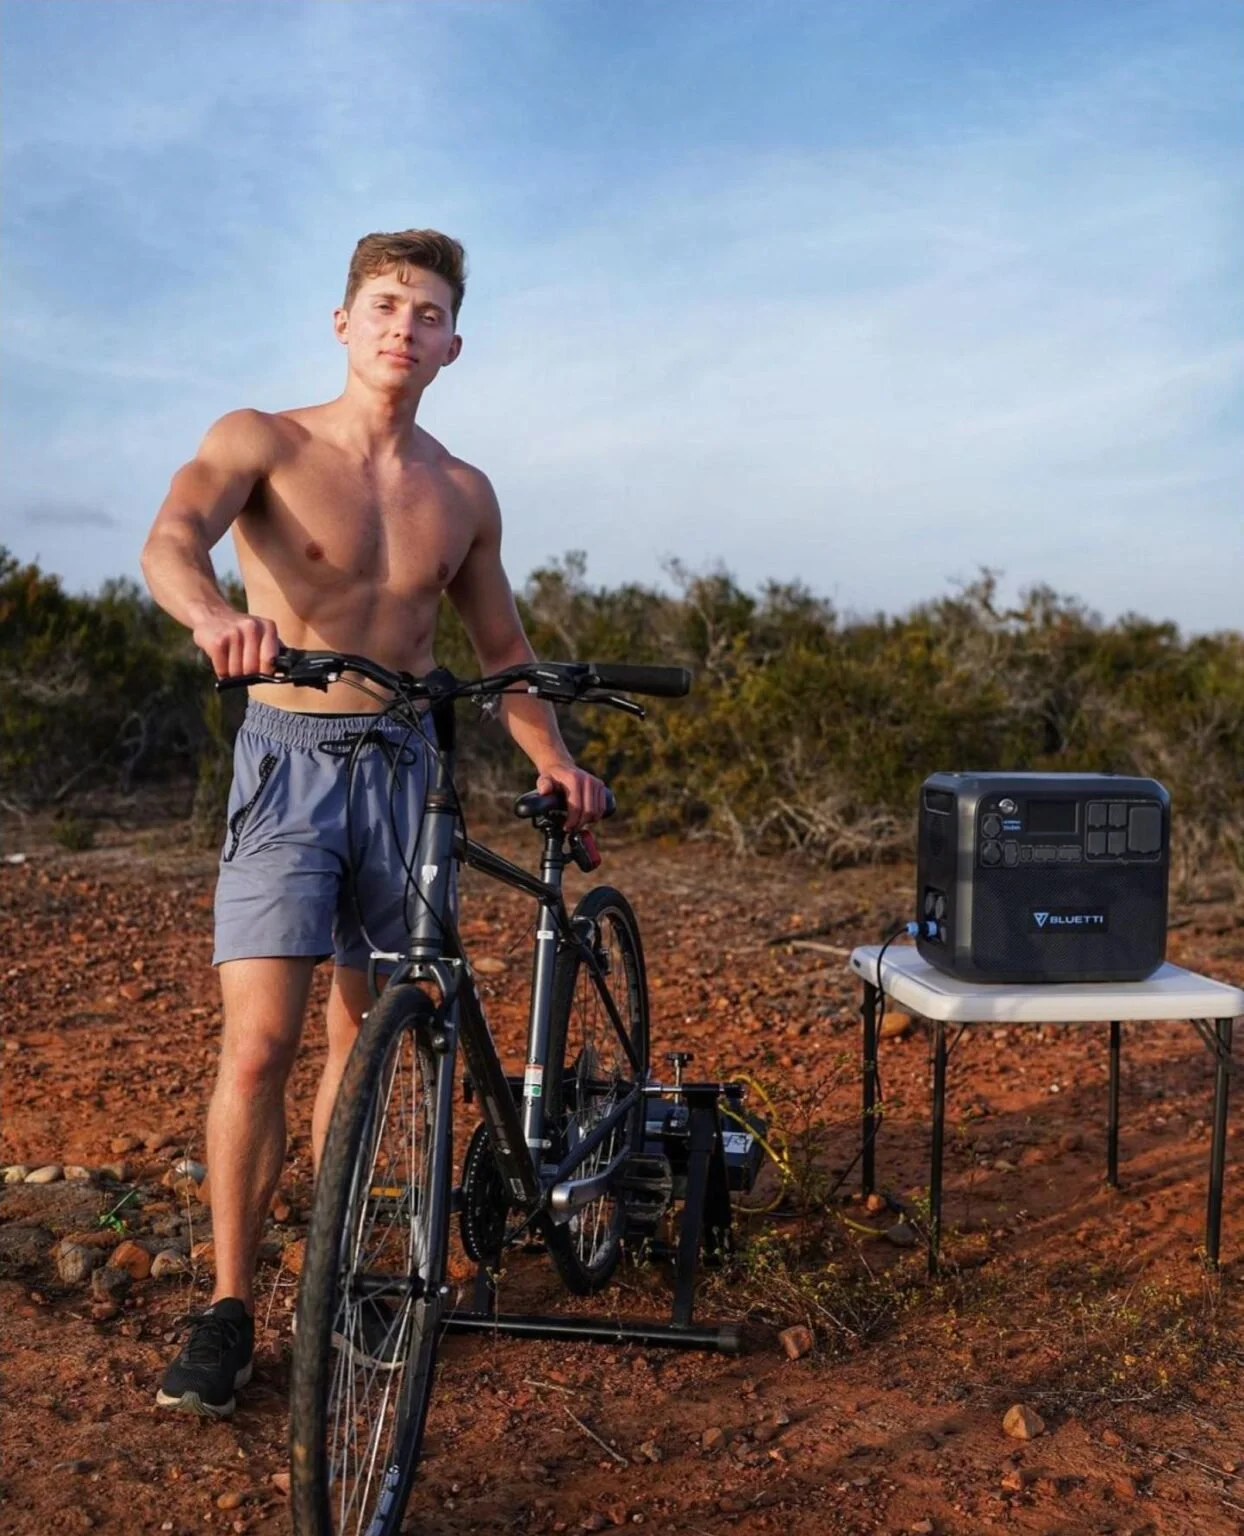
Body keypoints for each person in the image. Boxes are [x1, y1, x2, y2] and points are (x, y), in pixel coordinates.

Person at [140, 229, 608, 1416]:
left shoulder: (461, 494)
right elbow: (173, 538)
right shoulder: (264, 440)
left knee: (369, 1038)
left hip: (408, 769)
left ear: (455, 344)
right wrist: (209, 618)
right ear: (342, 323)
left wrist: (554, 758)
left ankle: (341, 1281)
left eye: (430, 311)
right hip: (288, 759)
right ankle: (229, 1309)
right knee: (259, 1042)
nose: (406, 325)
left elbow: (502, 658)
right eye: (386, 303)